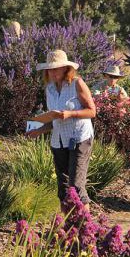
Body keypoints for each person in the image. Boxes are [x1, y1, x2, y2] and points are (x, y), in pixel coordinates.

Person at [26, 49, 97, 207]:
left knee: (76, 187)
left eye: (56, 68)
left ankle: (86, 228)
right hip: (58, 141)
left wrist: (70, 114)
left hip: (79, 138)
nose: (52, 72)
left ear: (66, 68)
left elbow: (92, 111)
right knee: (63, 188)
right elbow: (54, 119)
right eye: (49, 69)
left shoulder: (77, 83)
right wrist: (39, 130)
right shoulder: (49, 89)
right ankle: (66, 226)